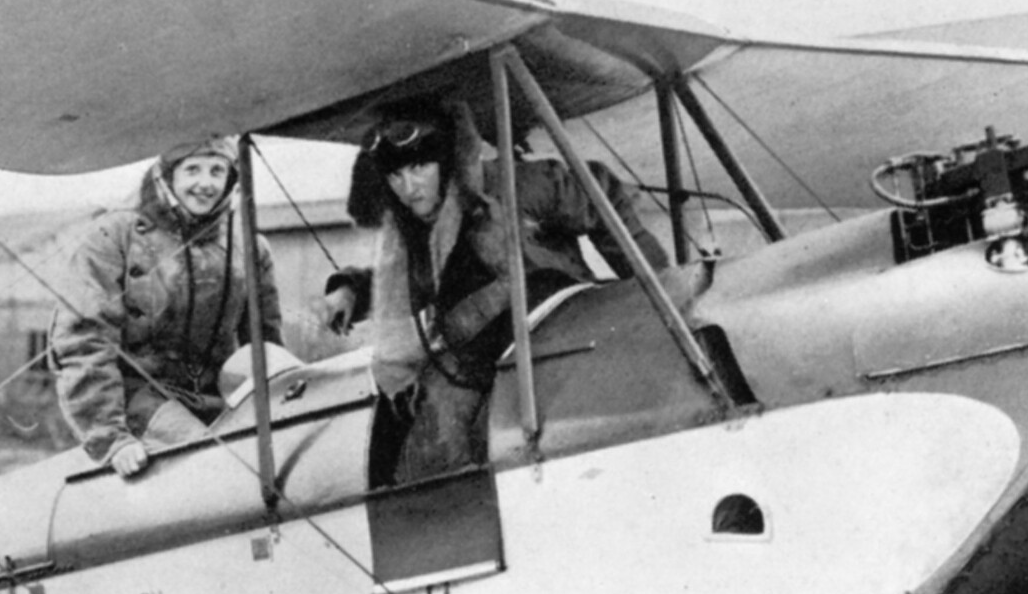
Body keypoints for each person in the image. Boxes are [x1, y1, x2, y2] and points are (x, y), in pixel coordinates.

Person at [320, 103, 667, 484]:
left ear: (445, 162)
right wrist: (351, 289)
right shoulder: (418, 231)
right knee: (424, 465)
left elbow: (601, 191)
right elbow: (404, 283)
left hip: (556, 332)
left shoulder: (509, 186)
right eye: (396, 175)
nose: (409, 187)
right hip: (482, 358)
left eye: (420, 167)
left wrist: (651, 291)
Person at [51, 134, 285, 478]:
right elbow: (84, 339)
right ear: (166, 176)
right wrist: (111, 438)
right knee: (216, 467)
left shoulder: (249, 245)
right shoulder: (114, 234)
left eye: (217, 171)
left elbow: (266, 343)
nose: (206, 183)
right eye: (193, 169)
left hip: (219, 396)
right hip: (138, 395)